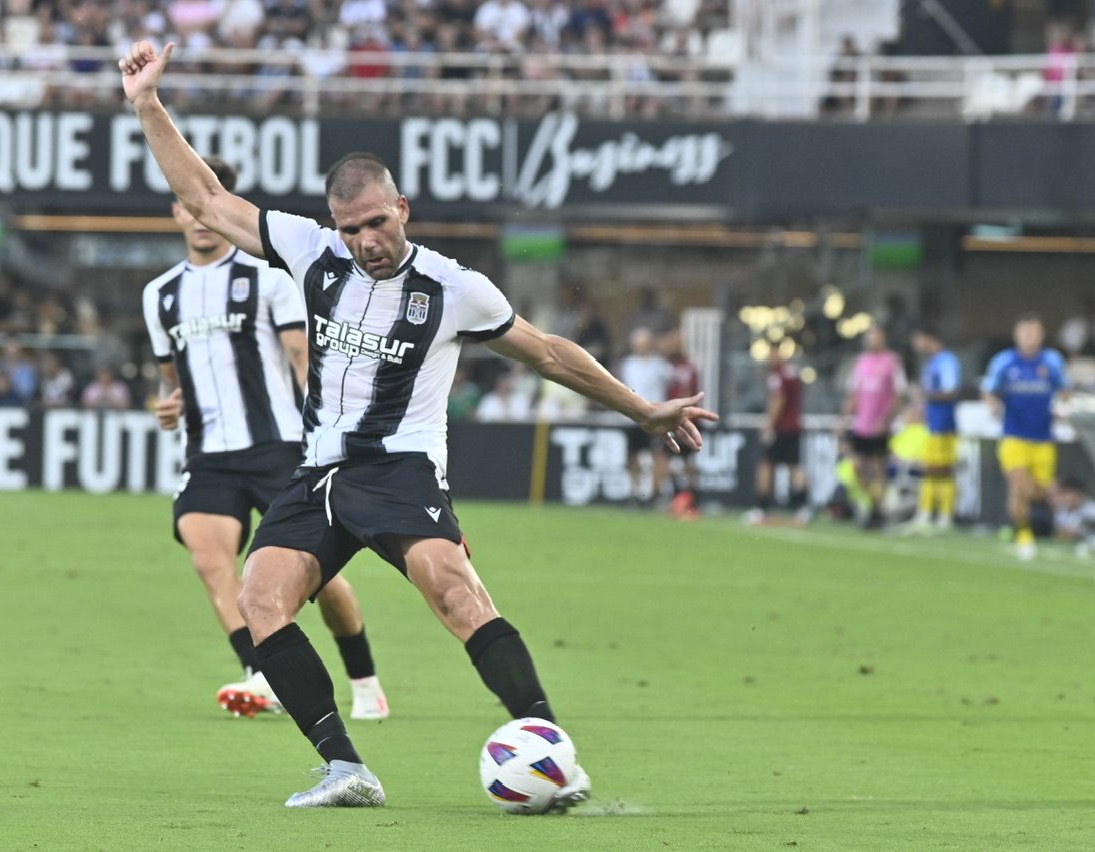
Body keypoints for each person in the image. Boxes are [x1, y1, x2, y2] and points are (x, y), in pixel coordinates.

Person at [120, 40, 716, 810]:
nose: (364, 241)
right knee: (258, 599)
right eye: (349, 228)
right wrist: (146, 104)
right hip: (319, 473)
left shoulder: (452, 287)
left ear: (400, 209)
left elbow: (548, 354)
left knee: (456, 594)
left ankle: (549, 749)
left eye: (375, 222)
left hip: (400, 469)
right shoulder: (311, 252)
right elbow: (205, 199)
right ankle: (344, 766)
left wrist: (642, 409)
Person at [142, 155, 389, 722]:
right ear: (177, 210)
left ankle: (365, 679)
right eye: (191, 205)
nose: (202, 217)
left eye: (215, 202)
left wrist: (328, 427)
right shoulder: (160, 295)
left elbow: (302, 358)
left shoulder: (269, 277)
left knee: (319, 578)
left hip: (278, 449)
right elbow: (170, 378)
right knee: (211, 562)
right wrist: (167, 404)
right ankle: (261, 672)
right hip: (206, 455)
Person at [982, 314, 1070, 560]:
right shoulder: (1004, 362)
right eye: (1026, 333)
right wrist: (993, 406)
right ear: (1017, 335)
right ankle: (1023, 534)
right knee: (1018, 484)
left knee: (1039, 492)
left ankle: (1020, 526)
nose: (1030, 338)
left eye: (1035, 333)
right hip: (1014, 435)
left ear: (1041, 336)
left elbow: (1064, 391)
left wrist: (1062, 408)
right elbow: (989, 391)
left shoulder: (1052, 362)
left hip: (1043, 437)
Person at [842, 325, 905, 529]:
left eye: (875, 337)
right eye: (869, 338)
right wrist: (843, 418)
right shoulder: (861, 362)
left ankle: (877, 510)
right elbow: (854, 394)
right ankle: (873, 504)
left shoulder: (892, 362)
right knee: (858, 467)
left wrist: (886, 419)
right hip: (861, 424)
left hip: (879, 426)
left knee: (878, 469)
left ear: (883, 339)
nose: (872, 341)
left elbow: (898, 394)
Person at [905, 328, 961, 533]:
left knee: (940, 469)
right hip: (932, 423)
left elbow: (950, 391)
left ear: (929, 339)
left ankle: (941, 514)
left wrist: (923, 395)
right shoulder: (931, 362)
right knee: (931, 469)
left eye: (918, 340)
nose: (916, 346)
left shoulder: (946, 361)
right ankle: (930, 513)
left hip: (944, 423)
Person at [744, 350, 809, 526]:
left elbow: (778, 400)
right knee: (795, 467)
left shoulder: (777, 375)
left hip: (781, 428)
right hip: (794, 426)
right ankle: (802, 509)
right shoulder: (793, 372)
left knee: (765, 465)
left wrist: (769, 425)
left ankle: (761, 509)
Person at [620, 327, 669, 506]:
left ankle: (655, 493)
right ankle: (635, 491)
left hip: (655, 416)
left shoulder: (660, 364)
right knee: (633, 457)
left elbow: (671, 382)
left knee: (657, 455)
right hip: (632, 416)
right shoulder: (628, 364)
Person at [662, 329, 700, 518]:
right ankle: (680, 498)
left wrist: (678, 418)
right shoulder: (670, 366)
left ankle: (690, 500)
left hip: (683, 421)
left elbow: (686, 394)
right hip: (671, 420)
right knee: (674, 461)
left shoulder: (685, 368)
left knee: (685, 461)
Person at [1051, 478, 1095, 557]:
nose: (1067, 498)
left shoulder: (1091, 509)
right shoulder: (1062, 511)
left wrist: (1078, 532)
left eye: (1070, 494)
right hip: (1071, 547)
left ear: (1078, 494)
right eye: (1065, 494)